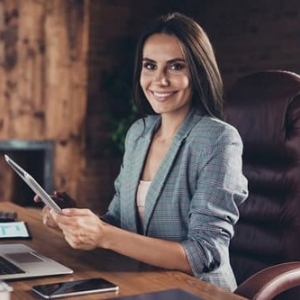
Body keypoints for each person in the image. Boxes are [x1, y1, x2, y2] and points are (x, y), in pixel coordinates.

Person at [35, 12, 248, 291]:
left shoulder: (218, 139)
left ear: (197, 72)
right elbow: (118, 223)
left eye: (175, 67)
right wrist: (74, 217)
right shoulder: (139, 133)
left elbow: (204, 253)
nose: (159, 80)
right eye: (150, 66)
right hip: (139, 283)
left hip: (195, 290)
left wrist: (104, 235)